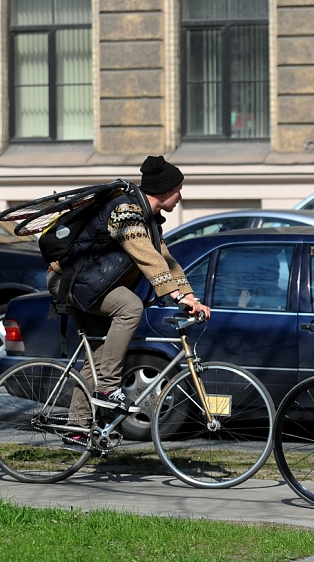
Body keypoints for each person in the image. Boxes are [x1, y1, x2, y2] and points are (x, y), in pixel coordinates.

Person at [47, 156, 211, 448]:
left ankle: (77, 429)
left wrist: (189, 296)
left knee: (98, 358)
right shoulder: (125, 212)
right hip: (72, 280)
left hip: (94, 285)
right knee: (130, 306)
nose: (181, 196)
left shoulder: (147, 217)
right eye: (178, 189)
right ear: (163, 192)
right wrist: (175, 295)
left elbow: (166, 259)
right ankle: (109, 389)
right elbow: (145, 256)